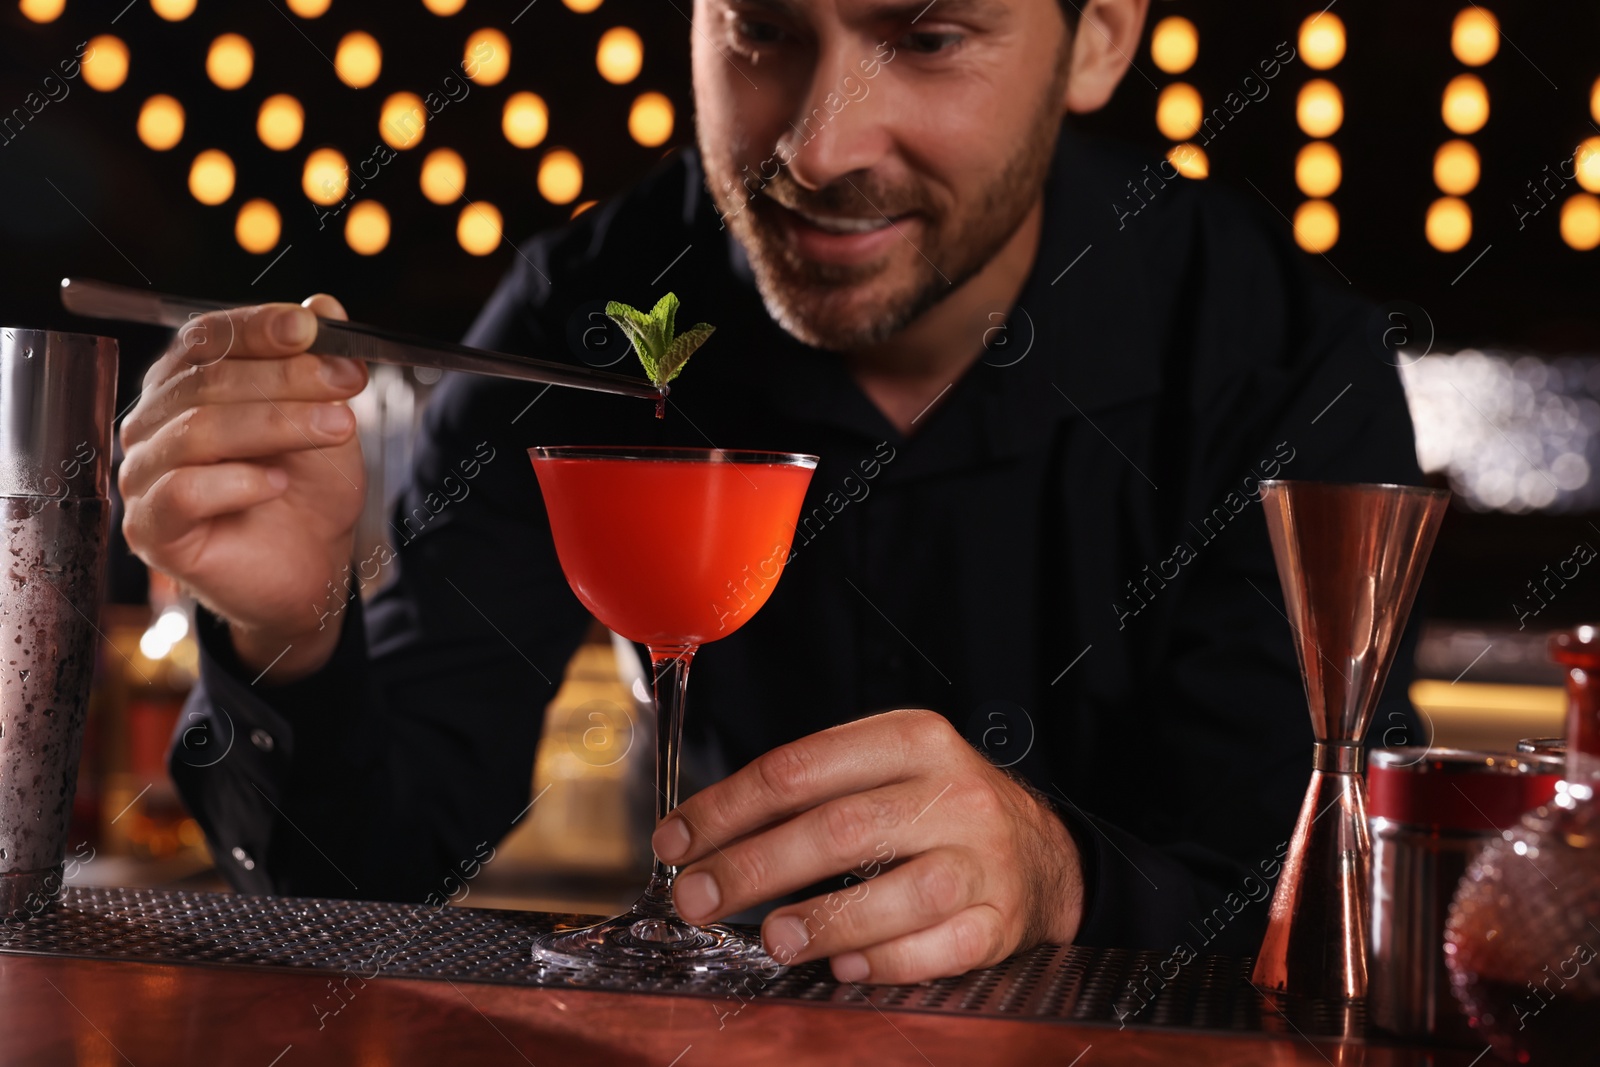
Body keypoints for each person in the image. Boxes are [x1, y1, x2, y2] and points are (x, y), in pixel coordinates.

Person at [119, 0, 1425, 985]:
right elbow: (363, 880)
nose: (816, 145)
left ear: (1098, 41)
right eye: (760, 28)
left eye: (926, 36)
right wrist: (288, 641)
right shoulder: (592, 312)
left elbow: (1343, 925)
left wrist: (1069, 880)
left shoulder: (1276, 362)